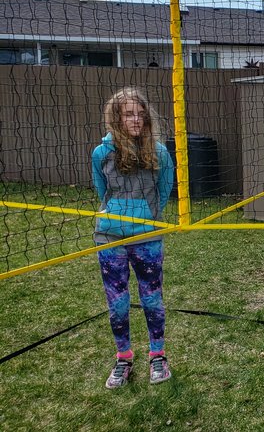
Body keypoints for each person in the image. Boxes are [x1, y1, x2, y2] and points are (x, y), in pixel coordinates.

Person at [92, 87, 175, 389]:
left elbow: (165, 190)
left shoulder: (160, 152)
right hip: (109, 237)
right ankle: (123, 358)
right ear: (116, 118)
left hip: (147, 236)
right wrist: (117, 213)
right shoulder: (101, 153)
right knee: (118, 303)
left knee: (152, 298)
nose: (136, 119)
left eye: (140, 114)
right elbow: (103, 191)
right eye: (129, 114)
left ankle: (158, 355)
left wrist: (146, 214)